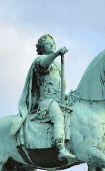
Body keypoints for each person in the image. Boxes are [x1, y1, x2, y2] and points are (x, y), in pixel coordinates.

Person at [11, 34, 76, 162]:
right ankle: (60, 148)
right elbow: (44, 64)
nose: (52, 45)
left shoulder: (56, 64)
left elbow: (58, 89)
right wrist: (56, 54)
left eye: (53, 43)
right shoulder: (40, 60)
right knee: (58, 117)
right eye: (47, 43)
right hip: (47, 101)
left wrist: (66, 96)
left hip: (58, 99)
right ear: (42, 47)